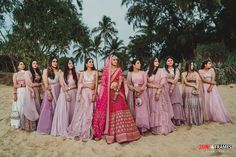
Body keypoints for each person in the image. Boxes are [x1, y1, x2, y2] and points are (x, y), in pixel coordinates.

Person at [93, 55, 140, 144]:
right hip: (108, 94)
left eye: (116, 60)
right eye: (113, 59)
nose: (115, 61)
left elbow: (121, 81)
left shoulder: (119, 70)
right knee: (107, 111)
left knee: (119, 109)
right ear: (110, 61)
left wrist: (117, 87)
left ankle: (122, 134)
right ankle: (107, 132)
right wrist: (110, 85)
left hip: (117, 93)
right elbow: (103, 83)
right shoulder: (106, 70)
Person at [67, 58, 97, 141]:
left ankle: (91, 132)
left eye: (92, 62)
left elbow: (95, 85)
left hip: (91, 94)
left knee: (91, 111)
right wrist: (87, 85)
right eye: (89, 62)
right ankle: (81, 131)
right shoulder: (82, 73)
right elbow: (79, 84)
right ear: (86, 64)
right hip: (84, 94)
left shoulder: (95, 72)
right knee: (83, 111)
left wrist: (94, 94)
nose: (91, 63)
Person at [147, 57, 175, 135]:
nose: (157, 62)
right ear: (152, 62)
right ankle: (154, 127)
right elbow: (147, 83)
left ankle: (162, 128)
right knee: (153, 109)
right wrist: (154, 86)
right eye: (155, 61)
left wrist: (158, 92)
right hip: (150, 93)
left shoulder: (161, 71)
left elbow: (162, 83)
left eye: (158, 61)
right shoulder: (148, 72)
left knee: (160, 109)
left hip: (159, 92)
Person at [198, 59, 231, 123]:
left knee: (214, 101)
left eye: (211, 63)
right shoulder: (200, 71)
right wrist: (213, 83)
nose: (211, 65)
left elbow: (213, 78)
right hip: (204, 87)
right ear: (205, 65)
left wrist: (211, 86)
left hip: (212, 87)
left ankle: (216, 116)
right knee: (205, 101)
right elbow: (203, 79)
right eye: (209, 63)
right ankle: (207, 116)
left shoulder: (212, 70)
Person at [51, 59, 78, 137]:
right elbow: (62, 85)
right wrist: (66, 94)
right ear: (66, 64)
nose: (71, 64)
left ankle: (71, 127)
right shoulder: (62, 74)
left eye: (72, 63)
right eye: (69, 63)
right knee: (64, 111)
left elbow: (77, 85)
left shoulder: (76, 74)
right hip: (64, 95)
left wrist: (69, 88)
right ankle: (63, 128)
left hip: (73, 94)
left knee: (72, 111)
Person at [37, 56, 61, 134]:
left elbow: (61, 82)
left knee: (57, 108)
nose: (55, 63)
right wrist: (49, 93)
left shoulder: (59, 71)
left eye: (56, 61)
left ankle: (56, 127)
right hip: (50, 91)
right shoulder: (46, 71)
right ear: (50, 62)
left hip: (58, 91)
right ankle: (47, 128)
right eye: (53, 61)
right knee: (48, 109)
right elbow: (45, 83)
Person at [127, 59, 150, 134]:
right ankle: (136, 127)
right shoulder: (130, 73)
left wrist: (140, 90)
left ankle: (144, 128)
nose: (139, 64)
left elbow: (145, 82)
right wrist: (134, 89)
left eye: (140, 63)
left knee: (142, 110)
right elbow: (128, 84)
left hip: (142, 93)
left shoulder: (143, 72)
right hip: (133, 93)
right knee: (135, 110)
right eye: (138, 63)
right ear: (133, 65)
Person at [22, 60, 42, 131]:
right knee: (31, 107)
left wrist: (39, 85)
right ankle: (30, 126)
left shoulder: (38, 72)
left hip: (37, 91)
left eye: (36, 63)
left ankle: (37, 125)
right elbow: (29, 84)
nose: (35, 64)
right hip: (30, 91)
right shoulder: (28, 72)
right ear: (31, 64)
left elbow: (41, 83)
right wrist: (32, 91)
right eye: (33, 63)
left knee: (37, 106)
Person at [164, 56, 185, 126]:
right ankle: (171, 119)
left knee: (176, 103)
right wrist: (169, 81)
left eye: (171, 60)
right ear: (166, 62)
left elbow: (175, 80)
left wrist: (171, 89)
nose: (170, 62)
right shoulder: (163, 70)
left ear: (173, 61)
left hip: (175, 88)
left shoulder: (176, 70)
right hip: (166, 87)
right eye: (168, 60)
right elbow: (164, 79)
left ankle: (177, 119)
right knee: (169, 102)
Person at [182, 61, 203, 126]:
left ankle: (195, 119)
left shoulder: (196, 73)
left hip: (194, 90)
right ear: (187, 65)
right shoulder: (184, 73)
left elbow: (198, 81)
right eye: (191, 64)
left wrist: (197, 87)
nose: (192, 66)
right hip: (187, 89)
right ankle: (188, 120)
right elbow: (185, 82)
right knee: (188, 104)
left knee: (194, 104)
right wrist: (194, 85)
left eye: (192, 65)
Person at [10, 61, 27, 128]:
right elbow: (14, 85)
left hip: (26, 92)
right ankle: (18, 122)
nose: (22, 65)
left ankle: (24, 122)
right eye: (21, 64)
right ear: (18, 66)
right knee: (18, 106)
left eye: (23, 64)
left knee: (25, 106)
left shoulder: (27, 73)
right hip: (19, 92)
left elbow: (28, 84)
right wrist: (14, 94)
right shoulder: (15, 74)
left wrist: (21, 85)